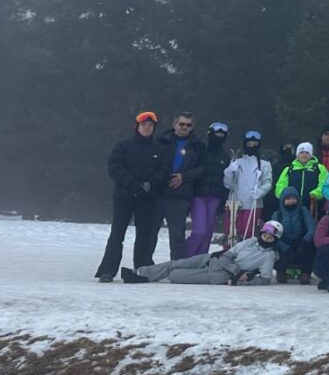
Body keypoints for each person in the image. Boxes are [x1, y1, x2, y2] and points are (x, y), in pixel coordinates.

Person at [96, 111, 172, 282]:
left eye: (150, 125)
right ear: (137, 127)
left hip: (148, 197)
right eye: (144, 125)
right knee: (117, 233)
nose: (147, 128)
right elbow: (114, 168)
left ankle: (142, 268)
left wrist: (150, 183)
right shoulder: (123, 145)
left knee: (145, 234)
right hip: (124, 196)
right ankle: (107, 270)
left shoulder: (160, 149)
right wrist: (133, 183)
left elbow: (165, 170)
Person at [122, 220, 282, 285]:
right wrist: (237, 270)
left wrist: (243, 279)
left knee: (175, 275)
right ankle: (139, 274)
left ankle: (147, 275)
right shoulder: (250, 241)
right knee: (175, 264)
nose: (266, 239)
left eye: (270, 238)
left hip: (218, 275)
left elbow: (265, 280)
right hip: (212, 259)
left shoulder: (268, 256)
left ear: (274, 240)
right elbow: (228, 255)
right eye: (265, 235)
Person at [154, 111, 203, 261]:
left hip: (180, 195)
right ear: (175, 125)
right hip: (158, 193)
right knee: (149, 233)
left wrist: (184, 177)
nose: (185, 127)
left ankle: (177, 267)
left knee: (177, 237)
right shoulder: (161, 141)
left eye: (188, 125)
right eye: (181, 124)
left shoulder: (198, 145)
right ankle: (143, 265)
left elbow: (202, 168)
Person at [187, 122, 231, 257]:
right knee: (199, 231)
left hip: (215, 197)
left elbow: (226, 181)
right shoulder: (201, 150)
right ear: (210, 135)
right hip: (199, 196)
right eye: (216, 135)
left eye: (221, 136)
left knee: (207, 233)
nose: (218, 138)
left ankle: (200, 259)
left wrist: (223, 201)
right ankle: (186, 257)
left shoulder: (225, 156)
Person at [223, 131, 273, 241]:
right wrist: (229, 171)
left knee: (249, 233)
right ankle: (228, 251)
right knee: (231, 234)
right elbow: (228, 185)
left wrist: (260, 192)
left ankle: (246, 251)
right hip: (234, 204)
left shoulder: (264, 164)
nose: (252, 147)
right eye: (249, 144)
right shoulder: (236, 162)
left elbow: (267, 182)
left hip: (253, 204)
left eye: (255, 144)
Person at [273, 186, 316, 283]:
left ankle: (306, 272)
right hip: (284, 245)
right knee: (273, 247)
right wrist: (284, 247)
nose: (291, 201)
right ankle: (281, 271)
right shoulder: (277, 214)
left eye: (293, 198)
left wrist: (305, 241)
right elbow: (272, 234)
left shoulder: (303, 211)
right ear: (283, 200)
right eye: (288, 199)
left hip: (302, 242)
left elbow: (312, 228)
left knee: (311, 246)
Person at [275, 142, 327, 214]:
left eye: (307, 152)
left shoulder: (319, 168)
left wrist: (314, 194)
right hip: (291, 205)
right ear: (297, 155)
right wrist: (287, 196)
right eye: (301, 152)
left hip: (313, 205)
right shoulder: (289, 169)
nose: (304, 155)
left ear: (311, 155)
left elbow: (324, 184)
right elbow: (280, 186)